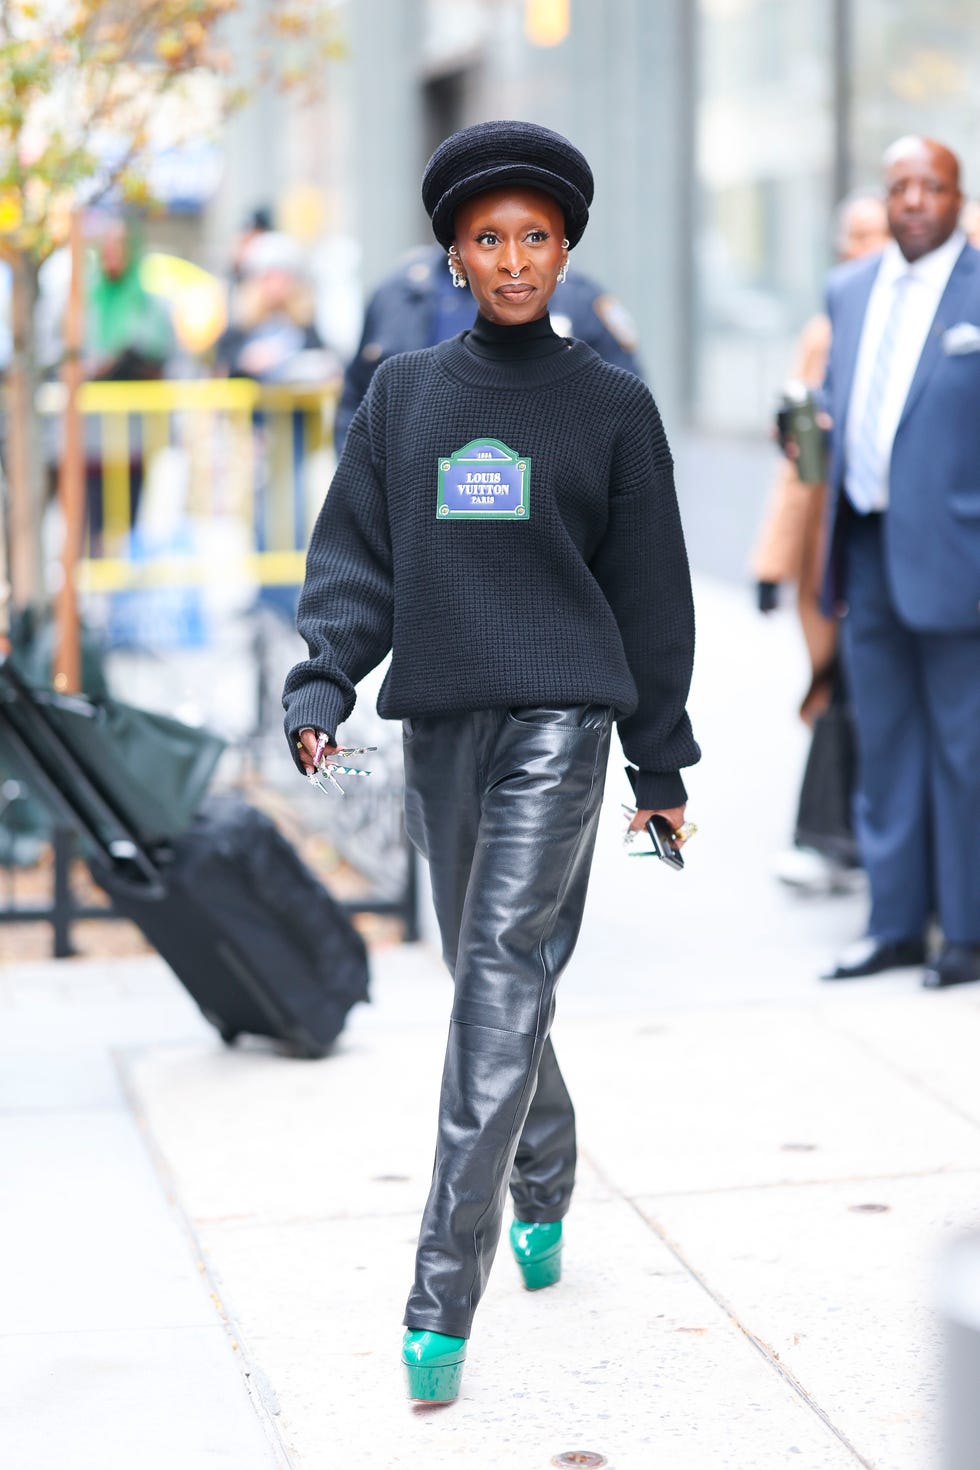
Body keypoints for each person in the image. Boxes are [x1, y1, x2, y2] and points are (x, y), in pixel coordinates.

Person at [281, 120, 700, 1401]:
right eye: (486, 239)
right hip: (443, 723)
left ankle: (435, 1303)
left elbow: (650, 596)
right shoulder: (403, 397)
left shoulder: (611, 408)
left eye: (533, 236)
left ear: (564, 248)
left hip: (563, 725)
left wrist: (659, 767)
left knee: (497, 978)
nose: (511, 258)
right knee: (490, 978)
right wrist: (321, 678)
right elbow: (357, 557)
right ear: (452, 256)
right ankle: (548, 1168)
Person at [815, 136, 980, 988]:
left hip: (960, 558)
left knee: (965, 752)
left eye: (933, 186)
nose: (915, 199)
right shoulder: (847, 288)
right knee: (883, 745)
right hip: (866, 545)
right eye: (900, 187)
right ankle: (893, 925)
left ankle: (968, 933)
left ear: (958, 197)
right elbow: (841, 394)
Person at [752, 192, 888, 892]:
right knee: (834, 687)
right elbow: (798, 469)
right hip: (828, 553)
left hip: (897, 549)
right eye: (856, 236)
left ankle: (854, 841)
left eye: (880, 233)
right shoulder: (826, 328)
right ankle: (837, 842)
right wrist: (772, 563)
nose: (867, 247)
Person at [334, 242, 642, 453]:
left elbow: (627, 411)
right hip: (415, 506)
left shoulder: (576, 298)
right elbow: (357, 401)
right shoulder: (398, 294)